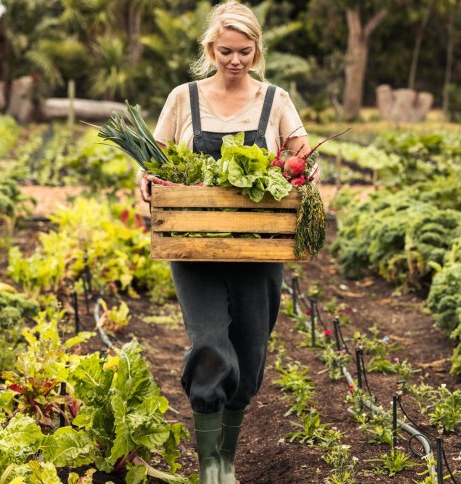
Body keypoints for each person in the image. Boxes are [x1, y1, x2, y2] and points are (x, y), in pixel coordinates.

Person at [137, 2, 317, 482]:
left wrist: (306, 168)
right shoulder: (184, 98)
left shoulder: (275, 100)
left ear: (256, 50)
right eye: (225, 51)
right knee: (211, 345)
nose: (235, 60)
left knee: (252, 354)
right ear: (210, 50)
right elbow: (152, 160)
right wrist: (146, 179)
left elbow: (301, 152)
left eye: (244, 51)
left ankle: (228, 457)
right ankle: (208, 466)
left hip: (259, 248)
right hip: (195, 247)